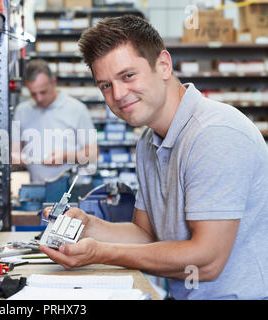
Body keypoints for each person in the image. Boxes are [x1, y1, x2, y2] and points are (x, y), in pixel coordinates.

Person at [40, 15, 268, 300]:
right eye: (106, 86)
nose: (119, 95)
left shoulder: (215, 134)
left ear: (163, 65)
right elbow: (145, 235)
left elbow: (207, 262)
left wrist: (102, 252)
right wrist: (90, 228)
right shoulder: (149, 141)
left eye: (128, 76)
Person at [12, 59, 98, 183]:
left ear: (53, 82)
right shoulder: (22, 111)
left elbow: (93, 153)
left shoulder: (76, 109)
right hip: (35, 188)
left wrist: (65, 157)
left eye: (43, 92)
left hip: (70, 189)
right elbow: (15, 152)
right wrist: (16, 158)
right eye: (33, 94)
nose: (39, 98)